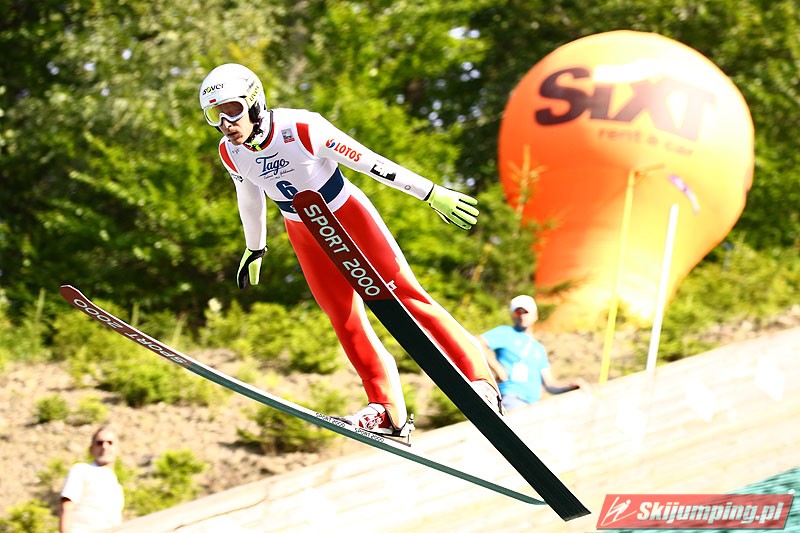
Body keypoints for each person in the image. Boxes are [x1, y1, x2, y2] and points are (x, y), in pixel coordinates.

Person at [198, 63, 501, 436]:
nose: (225, 123)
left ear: (255, 102)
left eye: (232, 110)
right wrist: (255, 248)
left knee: (406, 296)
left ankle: (479, 379)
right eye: (215, 114)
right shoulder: (231, 152)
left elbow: (373, 164)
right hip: (303, 229)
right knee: (342, 316)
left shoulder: (302, 127)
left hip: (347, 214)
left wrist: (430, 192)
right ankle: (386, 410)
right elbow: (249, 198)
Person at [479, 295, 588, 411]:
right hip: (511, 398)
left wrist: (570, 386)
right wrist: (497, 368)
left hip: (534, 404)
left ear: (535, 315)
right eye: (518, 312)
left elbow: (550, 385)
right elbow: (477, 343)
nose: (522, 316)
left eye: (526, 312)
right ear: (513, 315)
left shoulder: (539, 348)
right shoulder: (505, 332)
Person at [59, 425, 124, 533]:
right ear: (91, 448)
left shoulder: (116, 486)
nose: (104, 447)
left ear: (118, 448)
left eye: (110, 442)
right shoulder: (81, 470)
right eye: (99, 443)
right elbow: (66, 508)